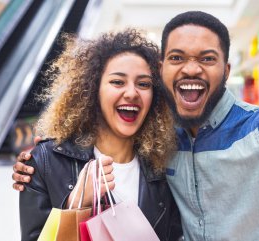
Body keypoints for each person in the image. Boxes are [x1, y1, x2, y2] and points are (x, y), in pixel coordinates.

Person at [13, 11, 259, 241]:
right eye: (177, 58)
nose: (191, 69)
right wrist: (54, 162)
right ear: (163, 71)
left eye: (207, 58)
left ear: (226, 71)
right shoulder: (157, 144)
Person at [17, 29, 182, 241]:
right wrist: (75, 205)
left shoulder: (166, 168)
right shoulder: (45, 162)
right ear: (93, 90)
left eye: (143, 84)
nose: (132, 93)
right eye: (117, 82)